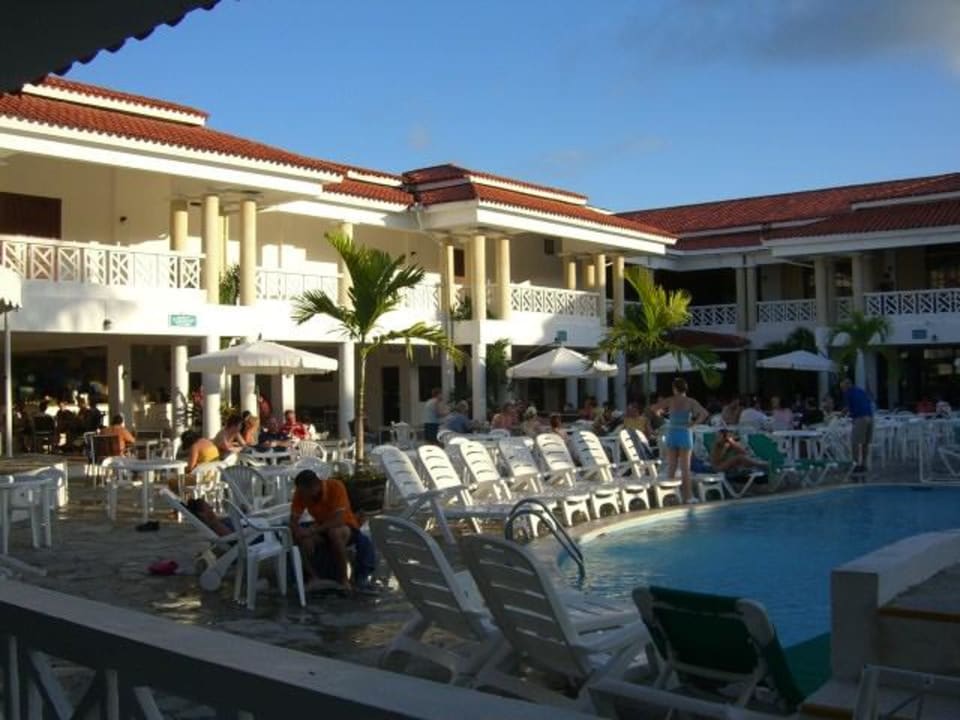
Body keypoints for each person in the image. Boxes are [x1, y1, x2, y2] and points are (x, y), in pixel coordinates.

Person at [288, 469, 376, 592]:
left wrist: (311, 531)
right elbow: (293, 520)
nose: (301, 496)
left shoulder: (335, 486)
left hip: (346, 525)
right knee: (299, 537)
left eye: (304, 492)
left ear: (314, 486)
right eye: (300, 492)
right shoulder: (301, 492)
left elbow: (338, 520)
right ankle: (313, 577)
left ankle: (344, 580)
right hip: (321, 526)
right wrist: (298, 531)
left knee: (334, 533)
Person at [653, 378, 708, 503]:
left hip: (672, 432)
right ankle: (688, 497)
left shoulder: (670, 400)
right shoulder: (690, 401)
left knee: (671, 466)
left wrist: (661, 414)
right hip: (684, 432)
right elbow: (704, 413)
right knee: (685, 468)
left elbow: (654, 408)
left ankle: (670, 495)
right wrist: (693, 424)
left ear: (674, 388)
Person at [841, 378, 874, 474]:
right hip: (870, 417)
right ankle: (863, 464)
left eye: (842, 387)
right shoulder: (860, 391)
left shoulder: (849, 393)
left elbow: (848, 408)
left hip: (861, 418)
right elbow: (868, 401)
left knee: (854, 442)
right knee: (865, 443)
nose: (842, 390)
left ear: (847, 386)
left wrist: (841, 414)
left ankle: (855, 464)